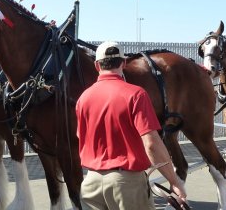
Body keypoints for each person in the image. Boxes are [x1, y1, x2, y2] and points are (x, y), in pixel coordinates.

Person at [75, 41, 187, 210]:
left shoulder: (84, 98)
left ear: (97, 65)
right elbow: (151, 144)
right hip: (128, 184)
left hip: (91, 183)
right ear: (124, 62)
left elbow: (81, 137)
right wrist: (174, 180)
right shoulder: (136, 95)